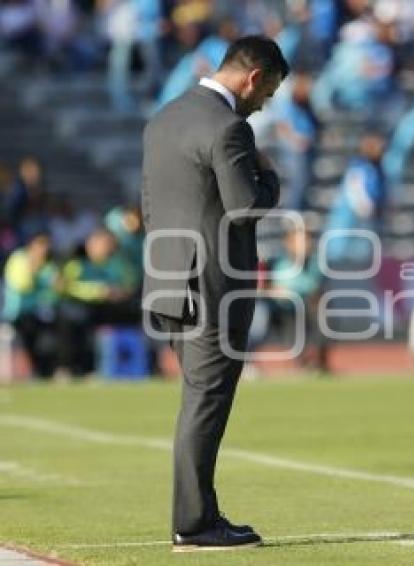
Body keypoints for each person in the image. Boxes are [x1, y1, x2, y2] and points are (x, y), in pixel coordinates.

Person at [141, 36, 286, 551]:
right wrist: (272, 177)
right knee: (205, 403)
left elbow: (151, 204)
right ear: (253, 78)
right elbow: (245, 205)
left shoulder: (164, 117)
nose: (265, 102)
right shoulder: (229, 128)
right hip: (212, 287)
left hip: (167, 280)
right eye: (268, 92)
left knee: (197, 402)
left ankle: (202, 514)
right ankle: (196, 524)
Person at [58, 228, 140, 375]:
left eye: (108, 244)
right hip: (81, 306)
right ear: (90, 246)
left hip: (110, 307)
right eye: (101, 244)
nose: (105, 248)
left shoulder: (119, 264)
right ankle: (70, 368)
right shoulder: (77, 265)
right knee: (71, 317)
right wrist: (98, 291)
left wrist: (120, 292)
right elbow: (66, 287)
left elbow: (130, 284)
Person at [253, 227, 327, 372]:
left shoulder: (315, 263)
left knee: (322, 314)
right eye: (300, 241)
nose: (305, 245)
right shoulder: (276, 262)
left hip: (304, 308)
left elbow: (314, 287)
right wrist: (275, 291)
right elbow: (263, 286)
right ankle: (248, 362)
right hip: (279, 309)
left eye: (307, 240)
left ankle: (319, 362)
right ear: (289, 243)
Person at [2, 233, 61, 378]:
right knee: (28, 334)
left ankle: (49, 370)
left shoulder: (48, 265)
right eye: (40, 247)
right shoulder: (19, 260)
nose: (43, 251)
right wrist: (33, 270)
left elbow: (57, 290)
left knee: (56, 333)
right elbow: (21, 285)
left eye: (46, 247)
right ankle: (30, 371)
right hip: (17, 313)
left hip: (41, 313)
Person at [324, 131, 388, 265]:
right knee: (341, 252)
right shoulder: (358, 166)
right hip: (354, 217)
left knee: (365, 253)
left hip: (368, 218)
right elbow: (355, 192)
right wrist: (367, 209)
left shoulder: (378, 168)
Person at [272, 72, 319, 210]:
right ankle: (293, 210)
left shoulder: (307, 106)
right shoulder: (287, 104)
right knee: (298, 180)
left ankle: (301, 207)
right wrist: (296, 141)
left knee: (306, 180)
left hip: (307, 147)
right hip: (295, 149)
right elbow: (282, 127)